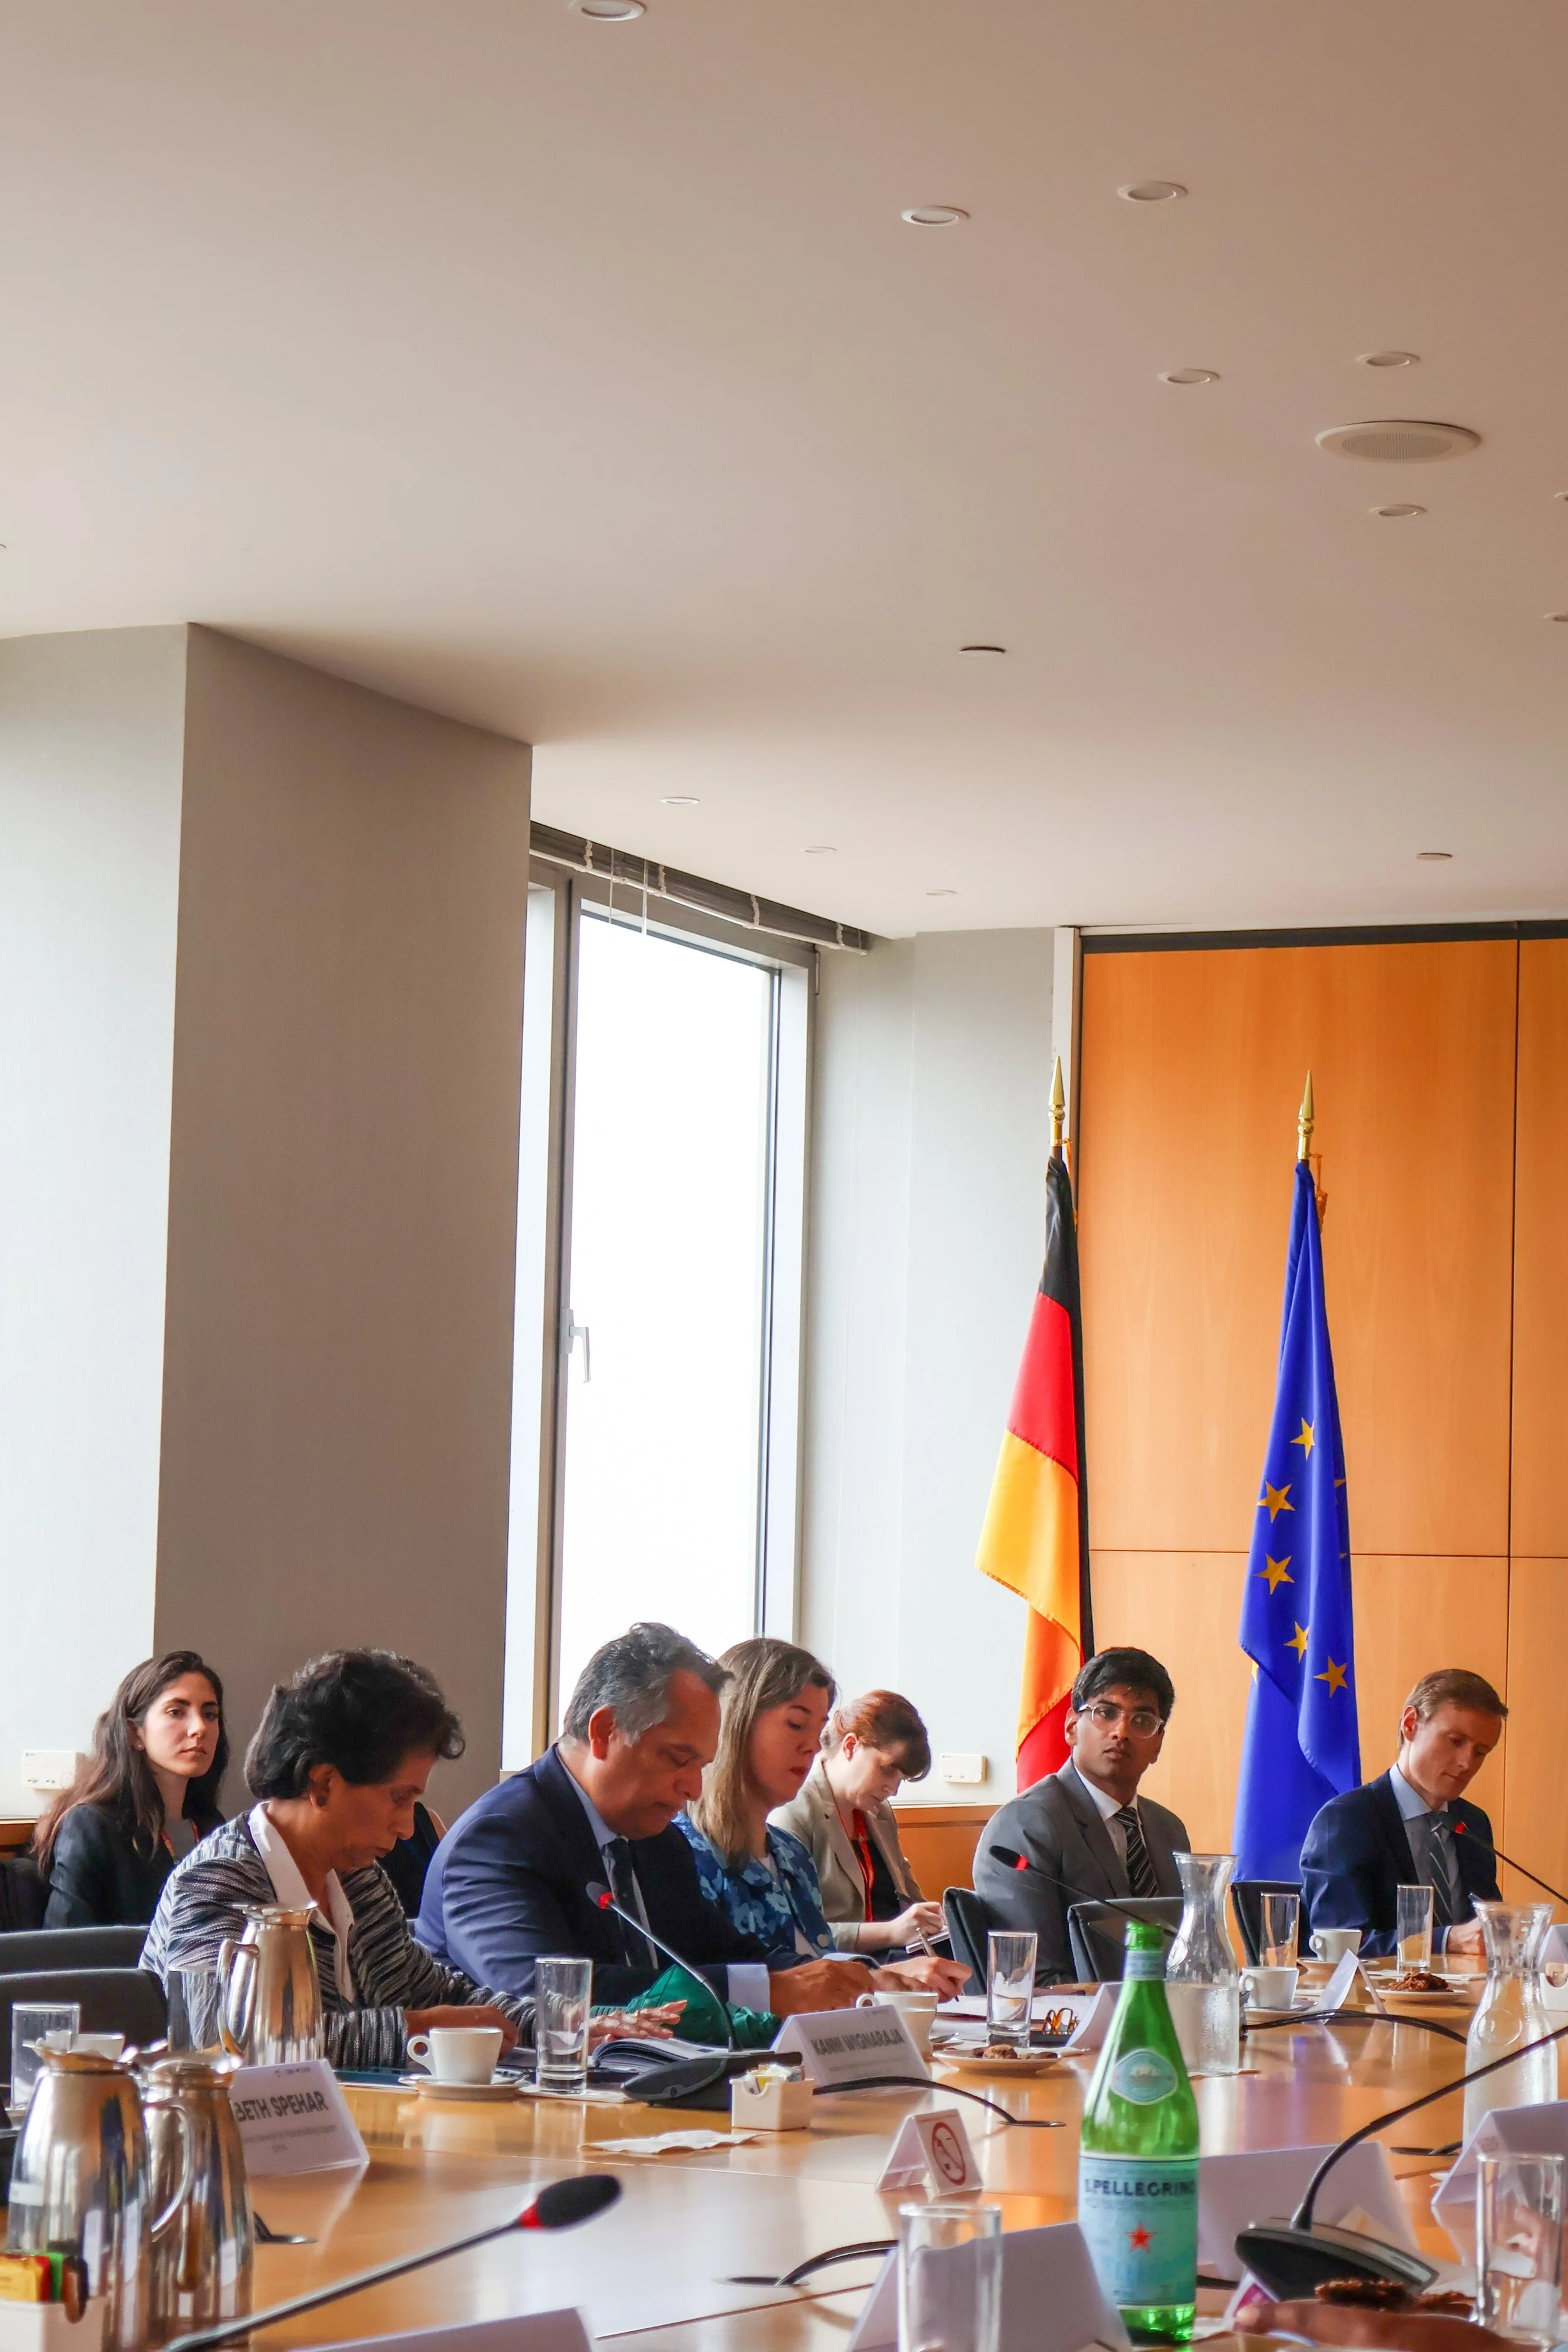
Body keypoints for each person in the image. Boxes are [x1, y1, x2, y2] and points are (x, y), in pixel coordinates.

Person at [142, 1648, 667, 2069]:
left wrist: (564, 2025)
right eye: (399, 1798)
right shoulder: (217, 1880)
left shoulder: (358, 1879)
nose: (406, 1824)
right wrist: (420, 2027)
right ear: (324, 1782)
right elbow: (229, 2045)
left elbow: (434, 1989)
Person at [417, 1621, 877, 2024]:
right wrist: (766, 1991)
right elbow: (548, 1992)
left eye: (703, 1765)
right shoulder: (500, 1839)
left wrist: (845, 1977)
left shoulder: (655, 1838)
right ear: (603, 1732)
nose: (694, 1789)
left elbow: (724, 1951)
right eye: (678, 1759)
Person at [679, 1640, 966, 1996]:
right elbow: (708, 1993)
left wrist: (890, 1977)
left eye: (817, 1731)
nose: (813, 1746)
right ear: (739, 1723)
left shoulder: (790, 1855)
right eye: (796, 1724)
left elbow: (817, 1966)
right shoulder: (681, 1853)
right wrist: (880, 1976)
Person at [973, 1646, 1187, 1983]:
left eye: (1143, 1720)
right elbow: (1030, 1978)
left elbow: (1181, 1957)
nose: (1122, 1732)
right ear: (1072, 1727)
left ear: (1158, 1743)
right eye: (1106, 1713)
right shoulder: (1025, 1826)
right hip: (1070, 2026)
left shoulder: (1168, 1829)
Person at [1300, 1668, 1506, 1959]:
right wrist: (1446, 1940)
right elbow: (1338, 1947)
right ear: (1410, 1724)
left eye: (1480, 1752)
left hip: (1468, 1998)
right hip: (1379, 2001)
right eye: (1455, 1741)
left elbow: (1484, 1931)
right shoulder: (1346, 1820)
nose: (1466, 1763)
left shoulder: (1473, 1824)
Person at [36, 1651, 230, 1929]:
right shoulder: (92, 1825)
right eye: (177, 1712)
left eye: (210, 1714)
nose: (199, 1727)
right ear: (134, 1733)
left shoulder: (212, 1826)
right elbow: (65, 1953)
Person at [771, 1688, 945, 1954]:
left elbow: (910, 1901)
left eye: (901, 1779)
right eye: (887, 1770)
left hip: (897, 1958)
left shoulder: (880, 1812)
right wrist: (890, 1933)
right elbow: (793, 1932)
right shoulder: (795, 1810)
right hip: (839, 1967)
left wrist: (935, 1921)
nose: (893, 1790)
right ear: (851, 1746)